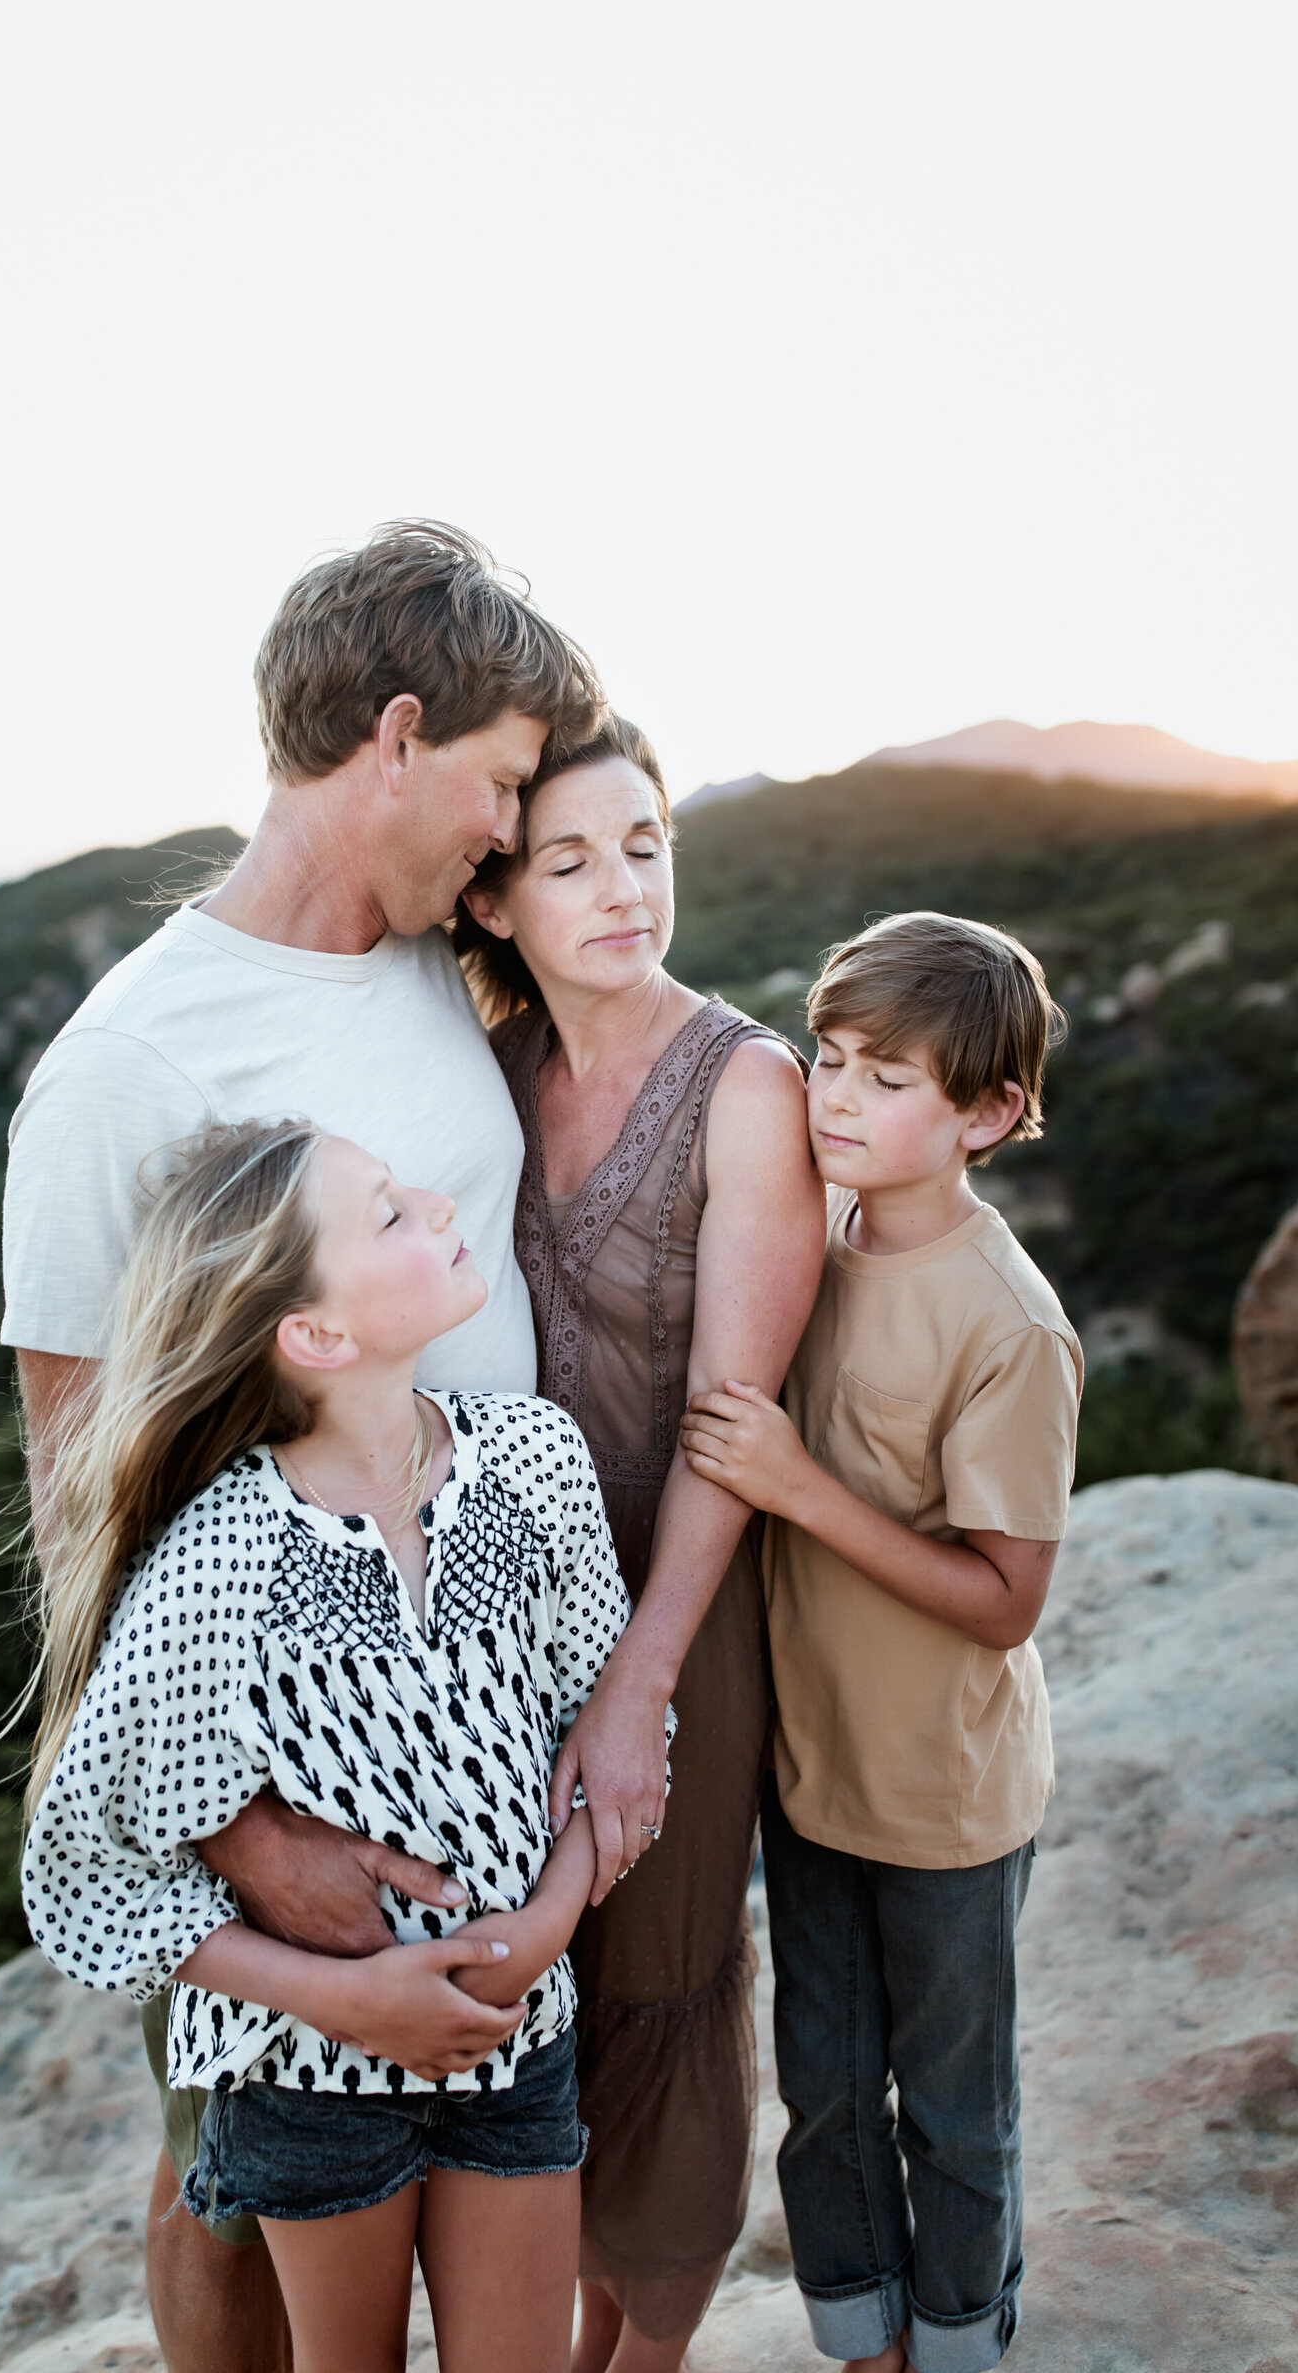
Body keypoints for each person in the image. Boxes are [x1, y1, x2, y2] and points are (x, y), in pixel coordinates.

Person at [0, 521, 607, 2373]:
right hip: (266, 1735)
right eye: (501, 784)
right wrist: (245, 1837)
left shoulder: (440, 966)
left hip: (473, 1664)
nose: (506, 834)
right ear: (397, 736)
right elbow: (71, 1493)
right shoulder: (129, 1069)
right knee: (233, 2170)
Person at [22, 1116, 653, 2373]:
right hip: (309, 2077)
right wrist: (346, 1998)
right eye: (385, 1212)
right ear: (315, 1336)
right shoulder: (219, 1562)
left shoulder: (535, 1459)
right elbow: (82, 1872)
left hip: (515, 2038)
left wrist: (548, 1923)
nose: (432, 1198)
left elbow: (621, 1726)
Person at [456, 718, 825, 2372]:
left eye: (647, 846)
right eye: (571, 860)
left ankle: (650, 2345)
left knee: (663, 1967)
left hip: (683, 1605)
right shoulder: (493, 1074)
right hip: (505, 1616)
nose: (624, 889)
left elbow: (728, 1428)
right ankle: (564, 2316)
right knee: (550, 1975)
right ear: (494, 904)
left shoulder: (748, 1088)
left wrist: (638, 1686)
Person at [680, 911, 1083, 2373]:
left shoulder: (1007, 1324)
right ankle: (865, 2338)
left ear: (984, 1112)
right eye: (828, 1058)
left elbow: (1006, 1601)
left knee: (951, 2102)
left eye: (888, 1078)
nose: (837, 1098)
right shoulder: (816, 1239)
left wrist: (799, 1487)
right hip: (810, 1770)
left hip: (944, 1795)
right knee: (828, 2089)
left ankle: (964, 2340)